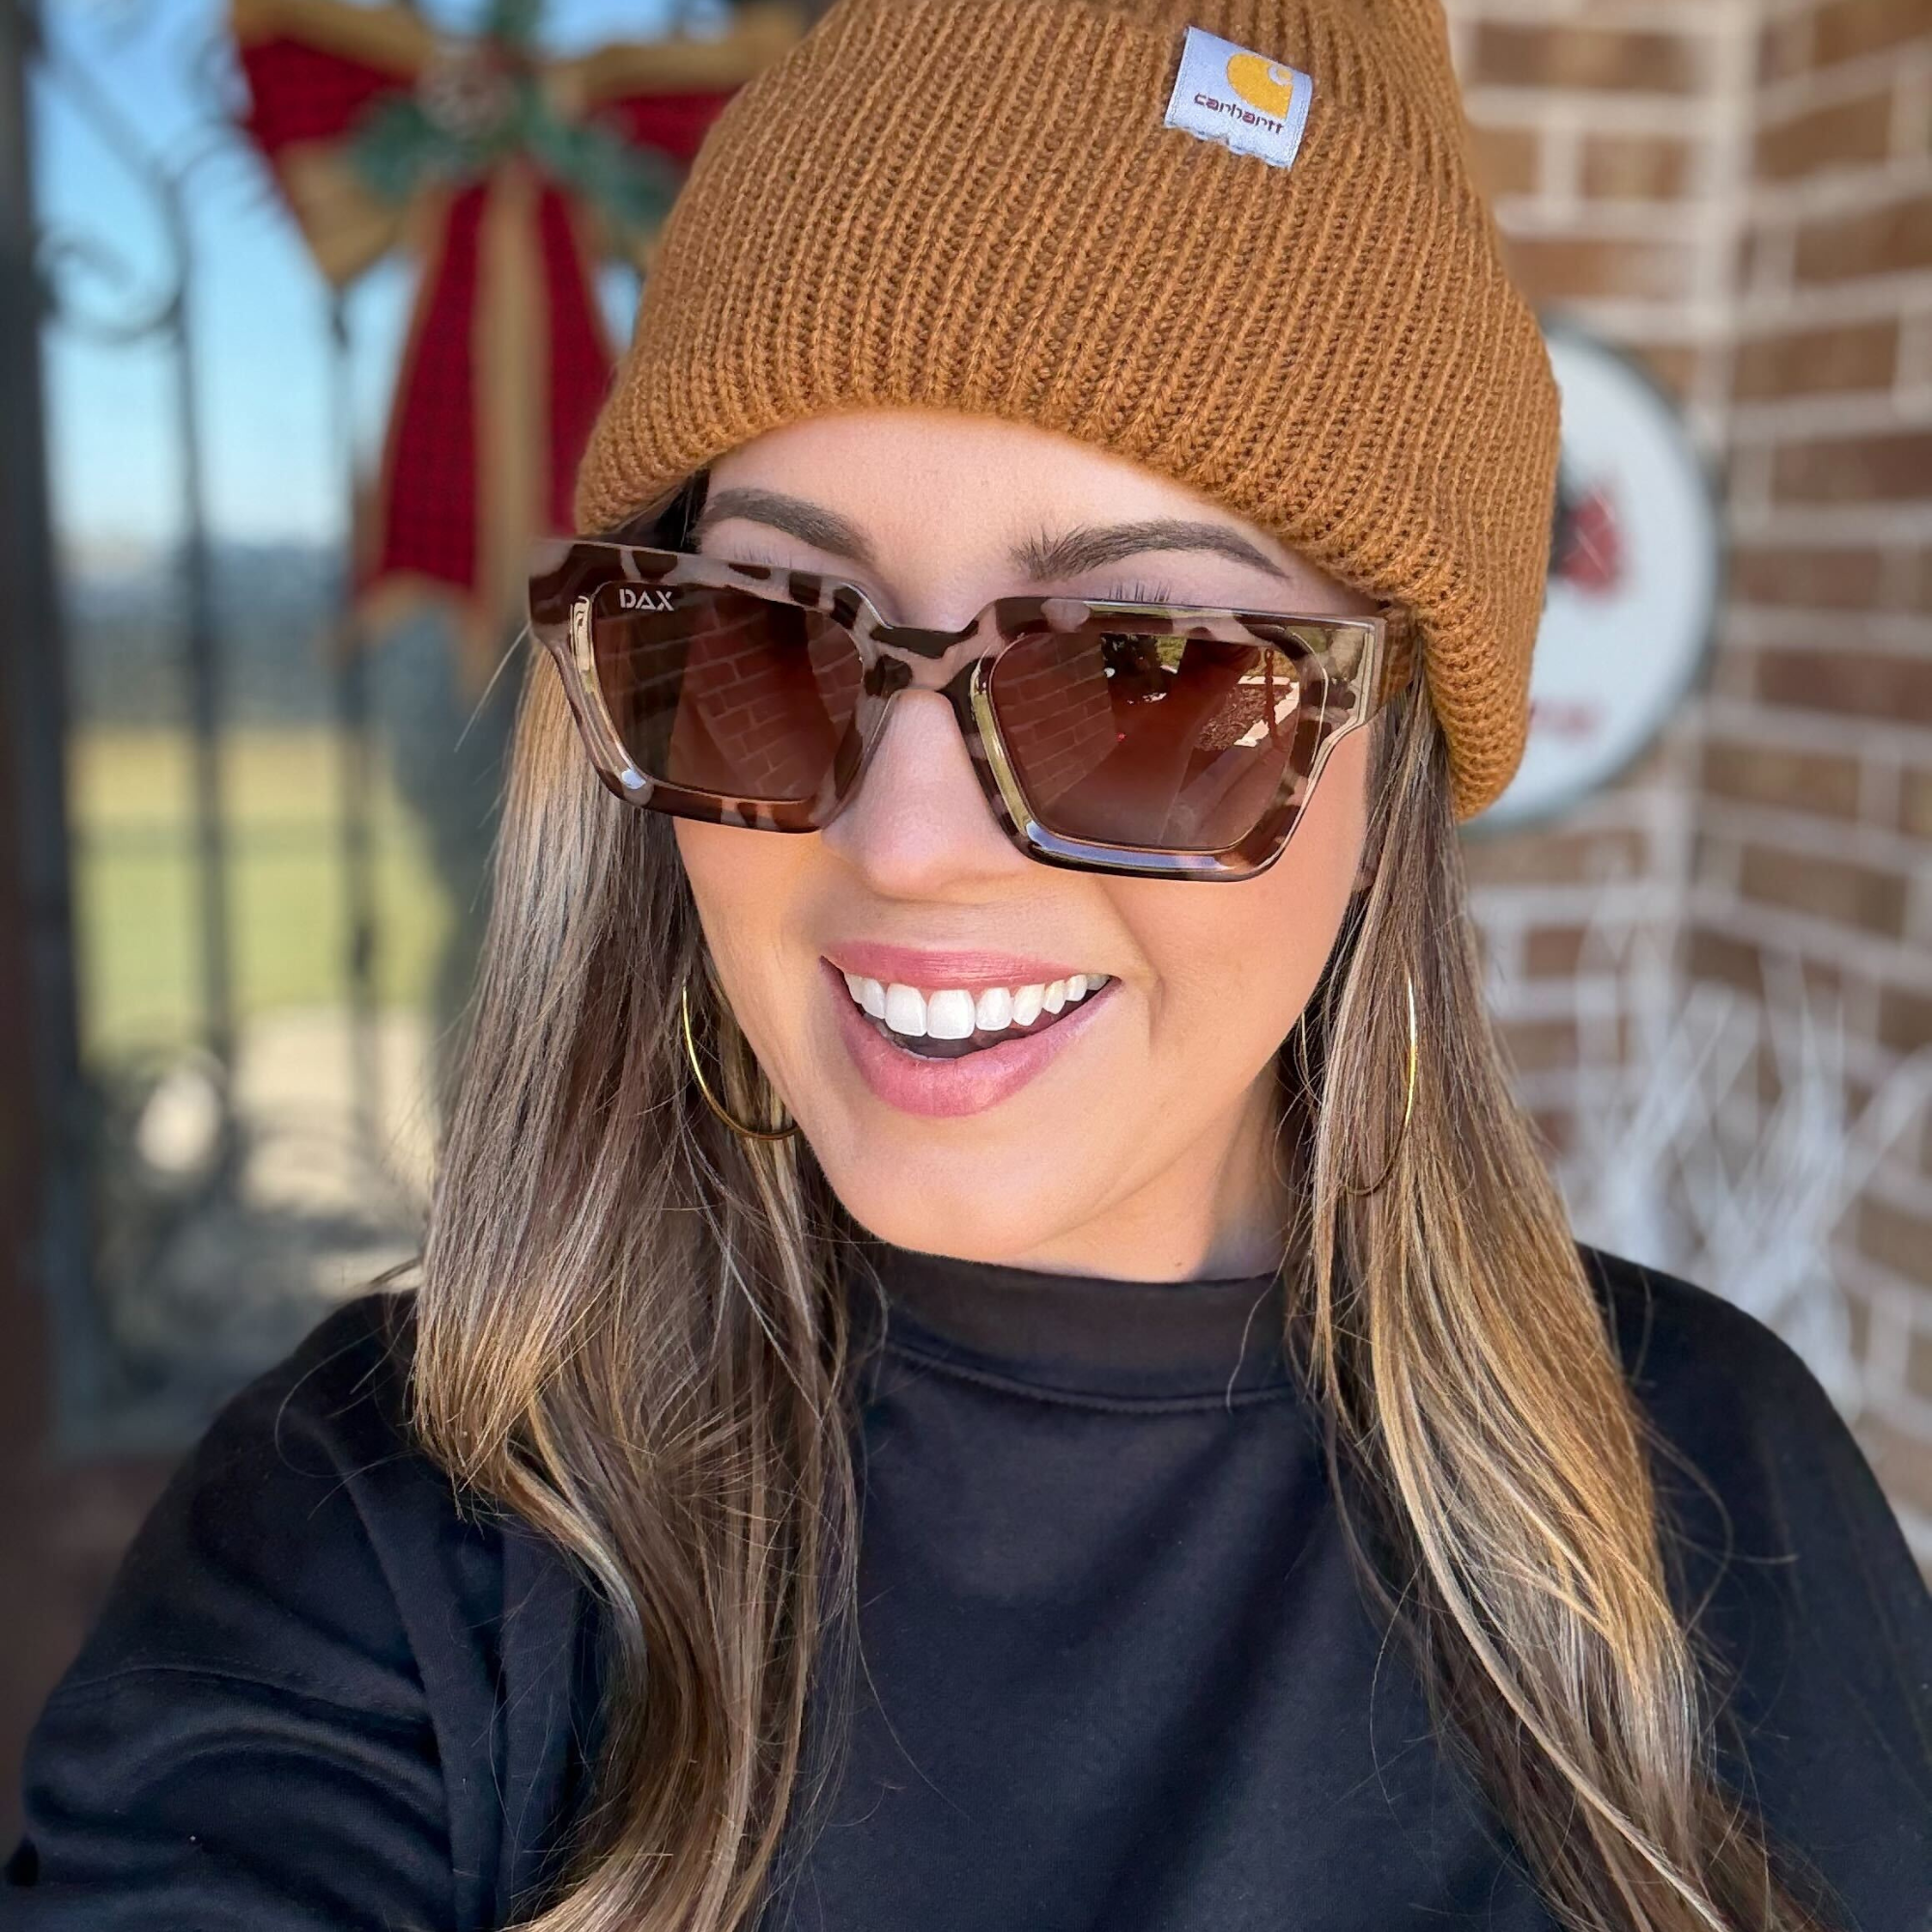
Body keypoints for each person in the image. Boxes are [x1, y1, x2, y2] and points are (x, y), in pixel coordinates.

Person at [9, 1, 1932, 1929]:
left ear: (1393, 763)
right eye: (770, 636)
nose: (906, 842)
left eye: (1145, 673)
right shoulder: (386, 1527)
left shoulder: (1715, 1498)